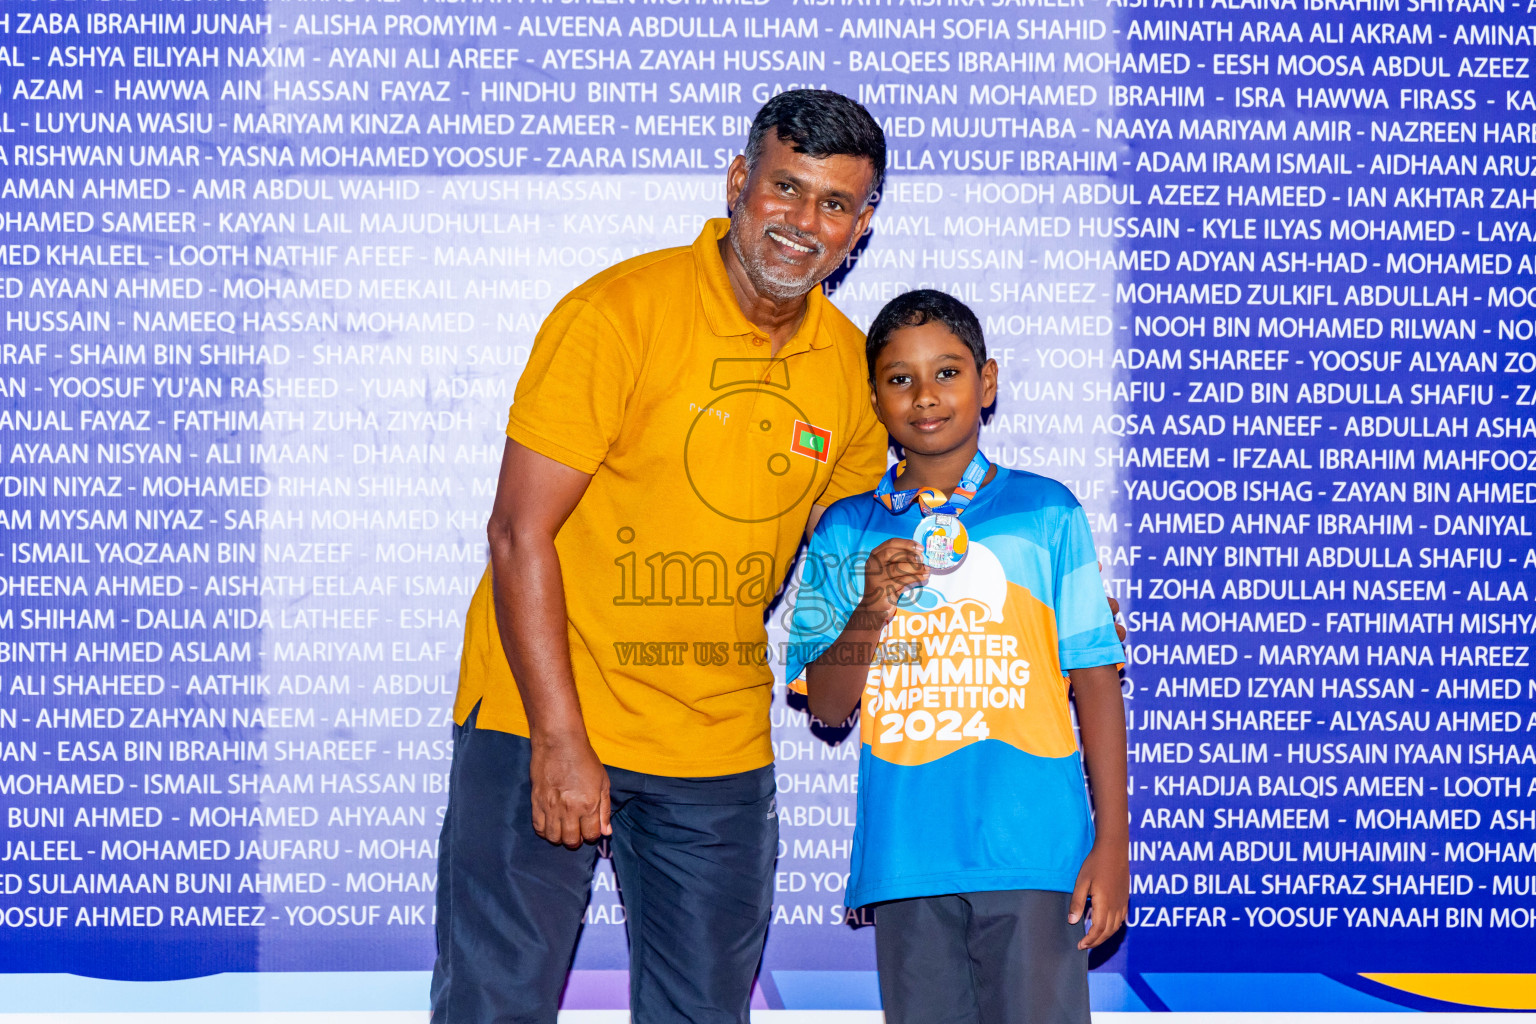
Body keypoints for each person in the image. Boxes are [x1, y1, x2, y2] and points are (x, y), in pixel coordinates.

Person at [430, 90, 892, 1024]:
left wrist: (1026, 611)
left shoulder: (852, 370)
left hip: (713, 742)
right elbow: (519, 532)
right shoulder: (618, 313)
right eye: (787, 189)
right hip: (543, 714)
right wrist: (561, 741)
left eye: (835, 204)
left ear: (862, 225)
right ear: (738, 183)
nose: (805, 223)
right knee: (494, 1006)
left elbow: (855, 564)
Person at [785, 289, 1129, 1024]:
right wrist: (870, 606)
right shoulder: (847, 528)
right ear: (874, 398)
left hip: (1037, 854)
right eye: (899, 378)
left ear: (988, 382)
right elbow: (828, 705)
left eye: (947, 372)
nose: (925, 396)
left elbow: (1097, 681)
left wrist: (1113, 844)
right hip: (909, 858)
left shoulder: (1048, 511)